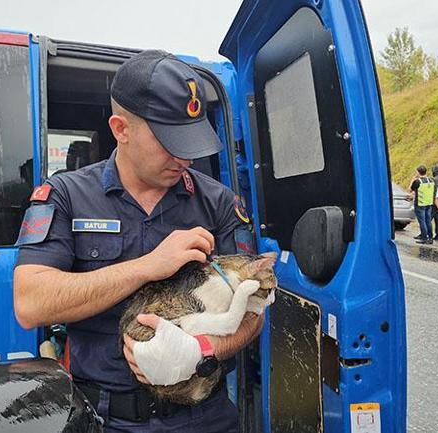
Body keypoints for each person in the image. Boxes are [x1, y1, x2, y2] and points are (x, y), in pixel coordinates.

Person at [13, 50, 265, 432]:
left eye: (191, 140)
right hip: (106, 418)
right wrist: (148, 266)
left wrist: (203, 350)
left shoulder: (219, 203)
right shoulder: (65, 195)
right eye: (170, 140)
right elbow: (31, 302)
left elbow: (255, 307)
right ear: (121, 129)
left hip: (204, 418)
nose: (185, 157)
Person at [408, 165, 434, 244]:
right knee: (428, 221)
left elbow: (409, 190)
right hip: (429, 203)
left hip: (420, 203)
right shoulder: (431, 180)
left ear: (418, 172)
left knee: (422, 221)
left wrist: (412, 180)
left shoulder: (417, 181)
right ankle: (430, 237)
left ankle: (424, 238)